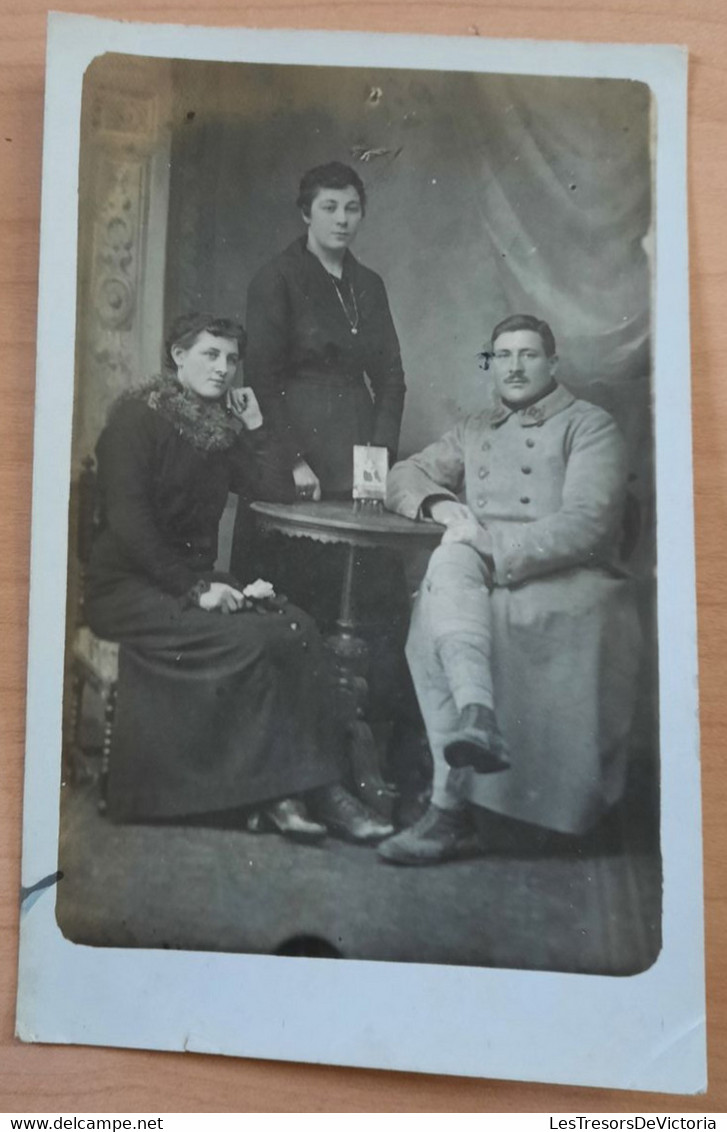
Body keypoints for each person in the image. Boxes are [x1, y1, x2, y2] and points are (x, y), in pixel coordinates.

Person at [84, 312, 393, 844]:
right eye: (210, 354)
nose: (224, 368)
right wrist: (196, 588)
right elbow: (129, 524)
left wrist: (256, 427)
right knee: (254, 639)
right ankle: (276, 794)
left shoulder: (219, 428)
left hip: (187, 580)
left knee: (297, 627)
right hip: (129, 588)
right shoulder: (136, 420)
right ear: (178, 356)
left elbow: (272, 489)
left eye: (231, 359)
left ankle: (320, 790)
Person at [378, 314, 642, 864]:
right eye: (503, 356)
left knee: (454, 579)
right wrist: (441, 505)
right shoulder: (475, 427)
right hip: (478, 560)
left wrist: (489, 541)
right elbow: (404, 475)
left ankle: (457, 807)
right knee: (445, 568)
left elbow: (589, 525)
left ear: (552, 363)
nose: (515, 366)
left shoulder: (589, 426)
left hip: (566, 571)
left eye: (527, 354)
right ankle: (473, 733)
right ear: (491, 364)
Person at [242, 160, 406, 501]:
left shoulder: (369, 285)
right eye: (329, 208)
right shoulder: (276, 279)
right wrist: (293, 461)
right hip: (297, 450)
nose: (342, 219)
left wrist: (380, 456)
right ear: (306, 214)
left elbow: (391, 378)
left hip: (360, 453)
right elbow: (262, 382)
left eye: (352, 208)